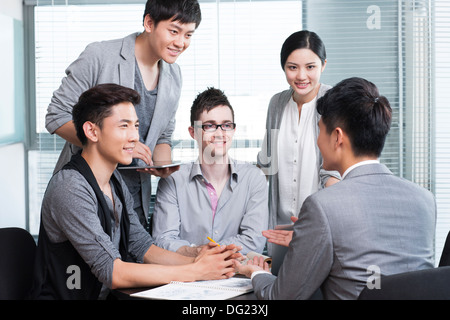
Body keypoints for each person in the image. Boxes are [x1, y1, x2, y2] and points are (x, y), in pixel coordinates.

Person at [29, 84, 241, 300]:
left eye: (136, 126)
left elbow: (142, 246)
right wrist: (195, 271)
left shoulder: (114, 181)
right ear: (92, 131)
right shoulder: (70, 188)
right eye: (124, 126)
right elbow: (112, 271)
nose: (134, 137)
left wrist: (200, 259)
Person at [234, 77, 436, 300]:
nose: (318, 142)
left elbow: (281, 297)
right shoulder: (425, 200)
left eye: (319, 131)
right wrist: (312, 241)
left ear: (337, 137)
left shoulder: (323, 206)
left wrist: (257, 273)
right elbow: (386, 268)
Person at [45, 0, 202, 229]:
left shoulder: (174, 75)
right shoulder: (99, 56)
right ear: (149, 23)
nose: (180, 43)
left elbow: (162, 136)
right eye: (174, 31)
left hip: (134, 201)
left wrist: (161, 164)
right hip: (86, 194)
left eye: (188, 35)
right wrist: (113, 145)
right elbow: (56, 116)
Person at [152, 87, 268, 257]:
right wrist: (198, 252)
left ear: (234, 130)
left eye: (226, 125)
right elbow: (163, 240)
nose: (220, 133)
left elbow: (254, 241)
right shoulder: (173, 180)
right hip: (187, 278)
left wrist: (200, 252)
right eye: (210, 126)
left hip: (236, 277)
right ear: (193, 132)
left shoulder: (253, 178)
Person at [257, 30, 340, 260]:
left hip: (320, 227)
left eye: (310, 67)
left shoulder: (334, 101)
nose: (301, 76)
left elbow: (336, 172)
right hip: (280, 228)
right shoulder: (277, 103)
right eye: (292, 67)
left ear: (323, 65)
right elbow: (267, 161)